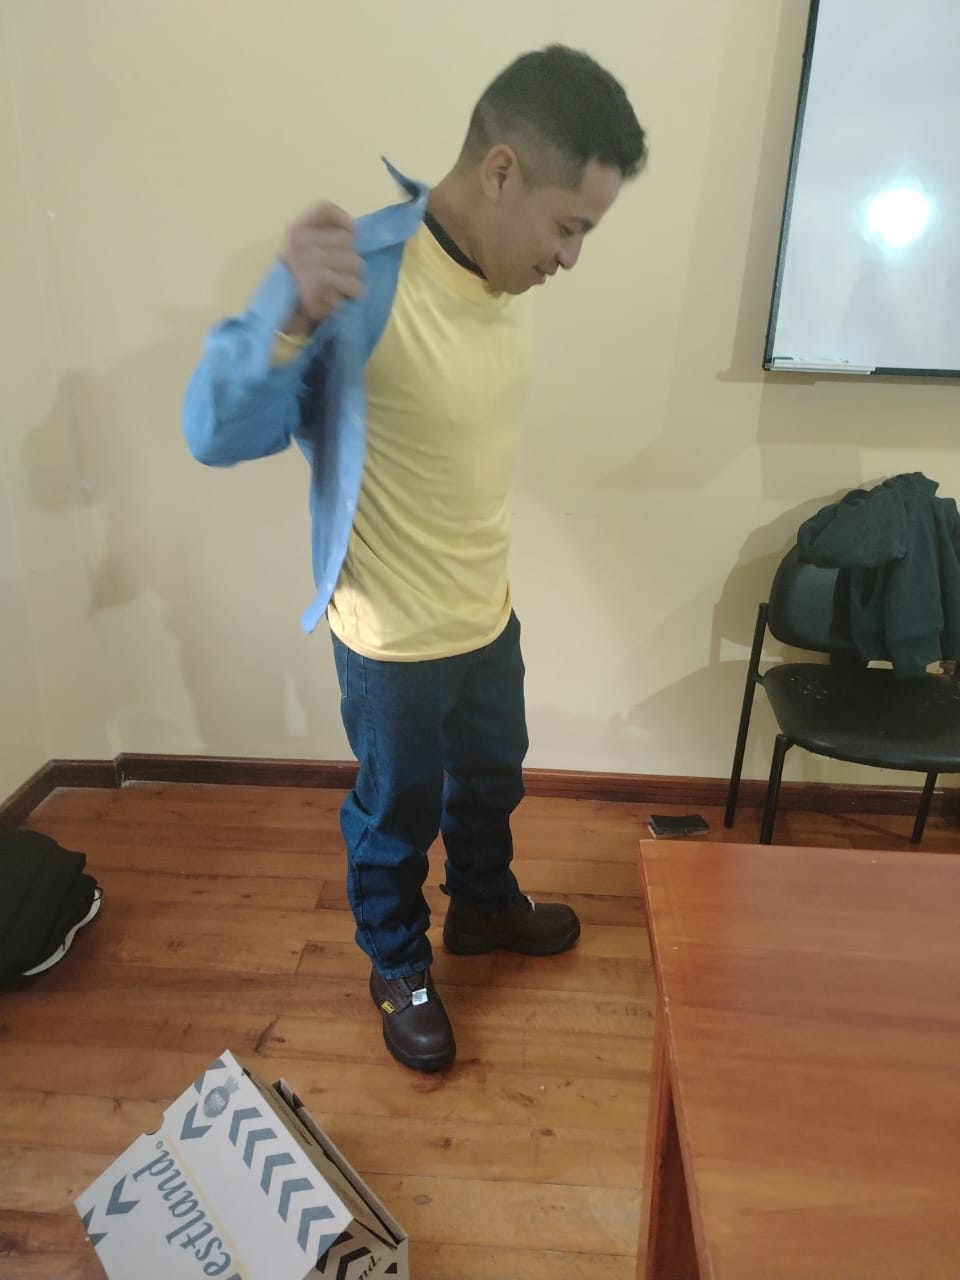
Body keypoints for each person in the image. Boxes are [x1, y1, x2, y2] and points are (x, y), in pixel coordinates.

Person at [184, 44, 647, 1072]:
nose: (572, 257)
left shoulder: (504, 281)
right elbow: (215, 435)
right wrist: (284, 313)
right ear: (500, 172)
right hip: (391, 637)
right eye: (570, 226)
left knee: (491, 781)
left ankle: (481, 904)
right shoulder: (357, 278)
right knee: (395, 814)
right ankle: (397, 963)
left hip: (486, 611)